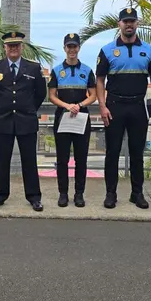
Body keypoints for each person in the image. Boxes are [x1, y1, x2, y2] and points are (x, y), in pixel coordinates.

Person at [96, 7, 151, 209]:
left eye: (132, 21)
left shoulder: (149, 51)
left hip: (137, 106)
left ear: (137, 24)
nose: (129, 24)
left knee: (137, 153)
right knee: (112, 152)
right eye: (125, 21)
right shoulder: (107, 50)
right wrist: (102, 106)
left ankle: (137, 193)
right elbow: (100, 80)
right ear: (119, 24)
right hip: (114, 106)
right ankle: (111, 194)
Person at [0, 31, 47, 212]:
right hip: (2, 121)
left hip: (26, 120)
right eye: (10, 45)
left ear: (21, 47)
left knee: (29, 160)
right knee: (2, 160)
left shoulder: (33, 68)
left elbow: (40, 94)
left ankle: (34, 197)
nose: (13, 48)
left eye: (16, 45)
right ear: (5, 47)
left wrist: (28, 108)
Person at [47, 33, 97, 207]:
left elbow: (94, 95)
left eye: (74, 46)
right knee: (62, 158)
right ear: (64, 48)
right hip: (63, 117)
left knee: (81, 158)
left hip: (81, 117)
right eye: (69, 46)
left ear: (79, 48)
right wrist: (67, 106)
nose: (72, 50)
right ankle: (63, 193)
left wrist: (80, 104)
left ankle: (79, 194)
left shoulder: (87, 70)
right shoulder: (57, 71)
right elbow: (52, 95)